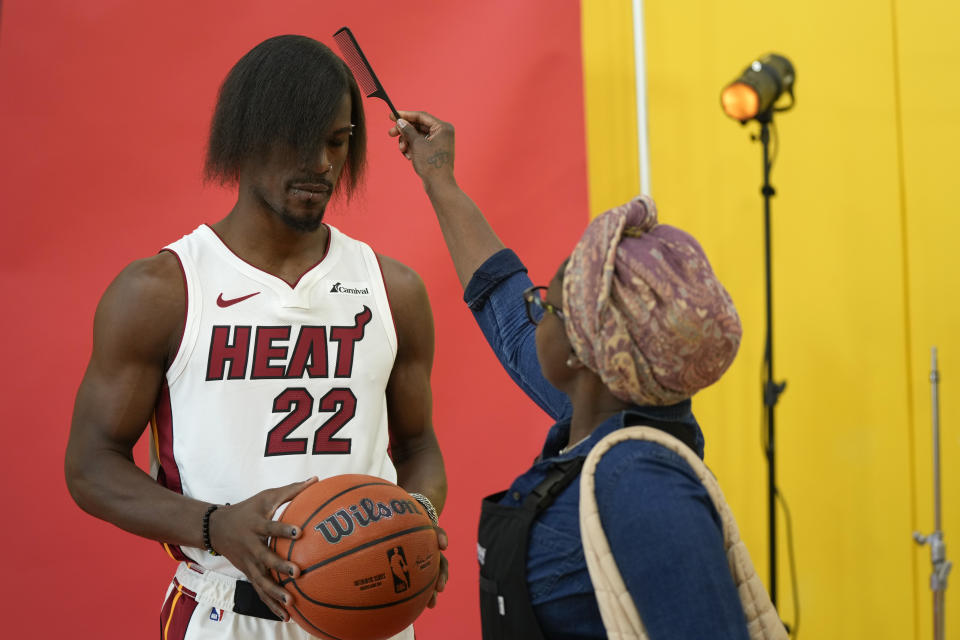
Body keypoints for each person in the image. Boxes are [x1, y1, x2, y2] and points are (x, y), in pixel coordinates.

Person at [64, 35, 447, 640]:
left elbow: (420, 447)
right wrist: (215, 526)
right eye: (300, 139)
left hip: (370, 614)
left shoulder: (393, 289)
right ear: (244, 137)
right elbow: (90, 466)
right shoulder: (163, 290)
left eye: (337, 141)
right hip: (227, 613)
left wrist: (415, 521)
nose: (321, 164)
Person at [390, 111, 780, 639]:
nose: (535, 306)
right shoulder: (602, 414)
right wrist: (440, 180)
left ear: (582, 354)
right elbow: (504, 301)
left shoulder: (646, 489)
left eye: (549, 303)